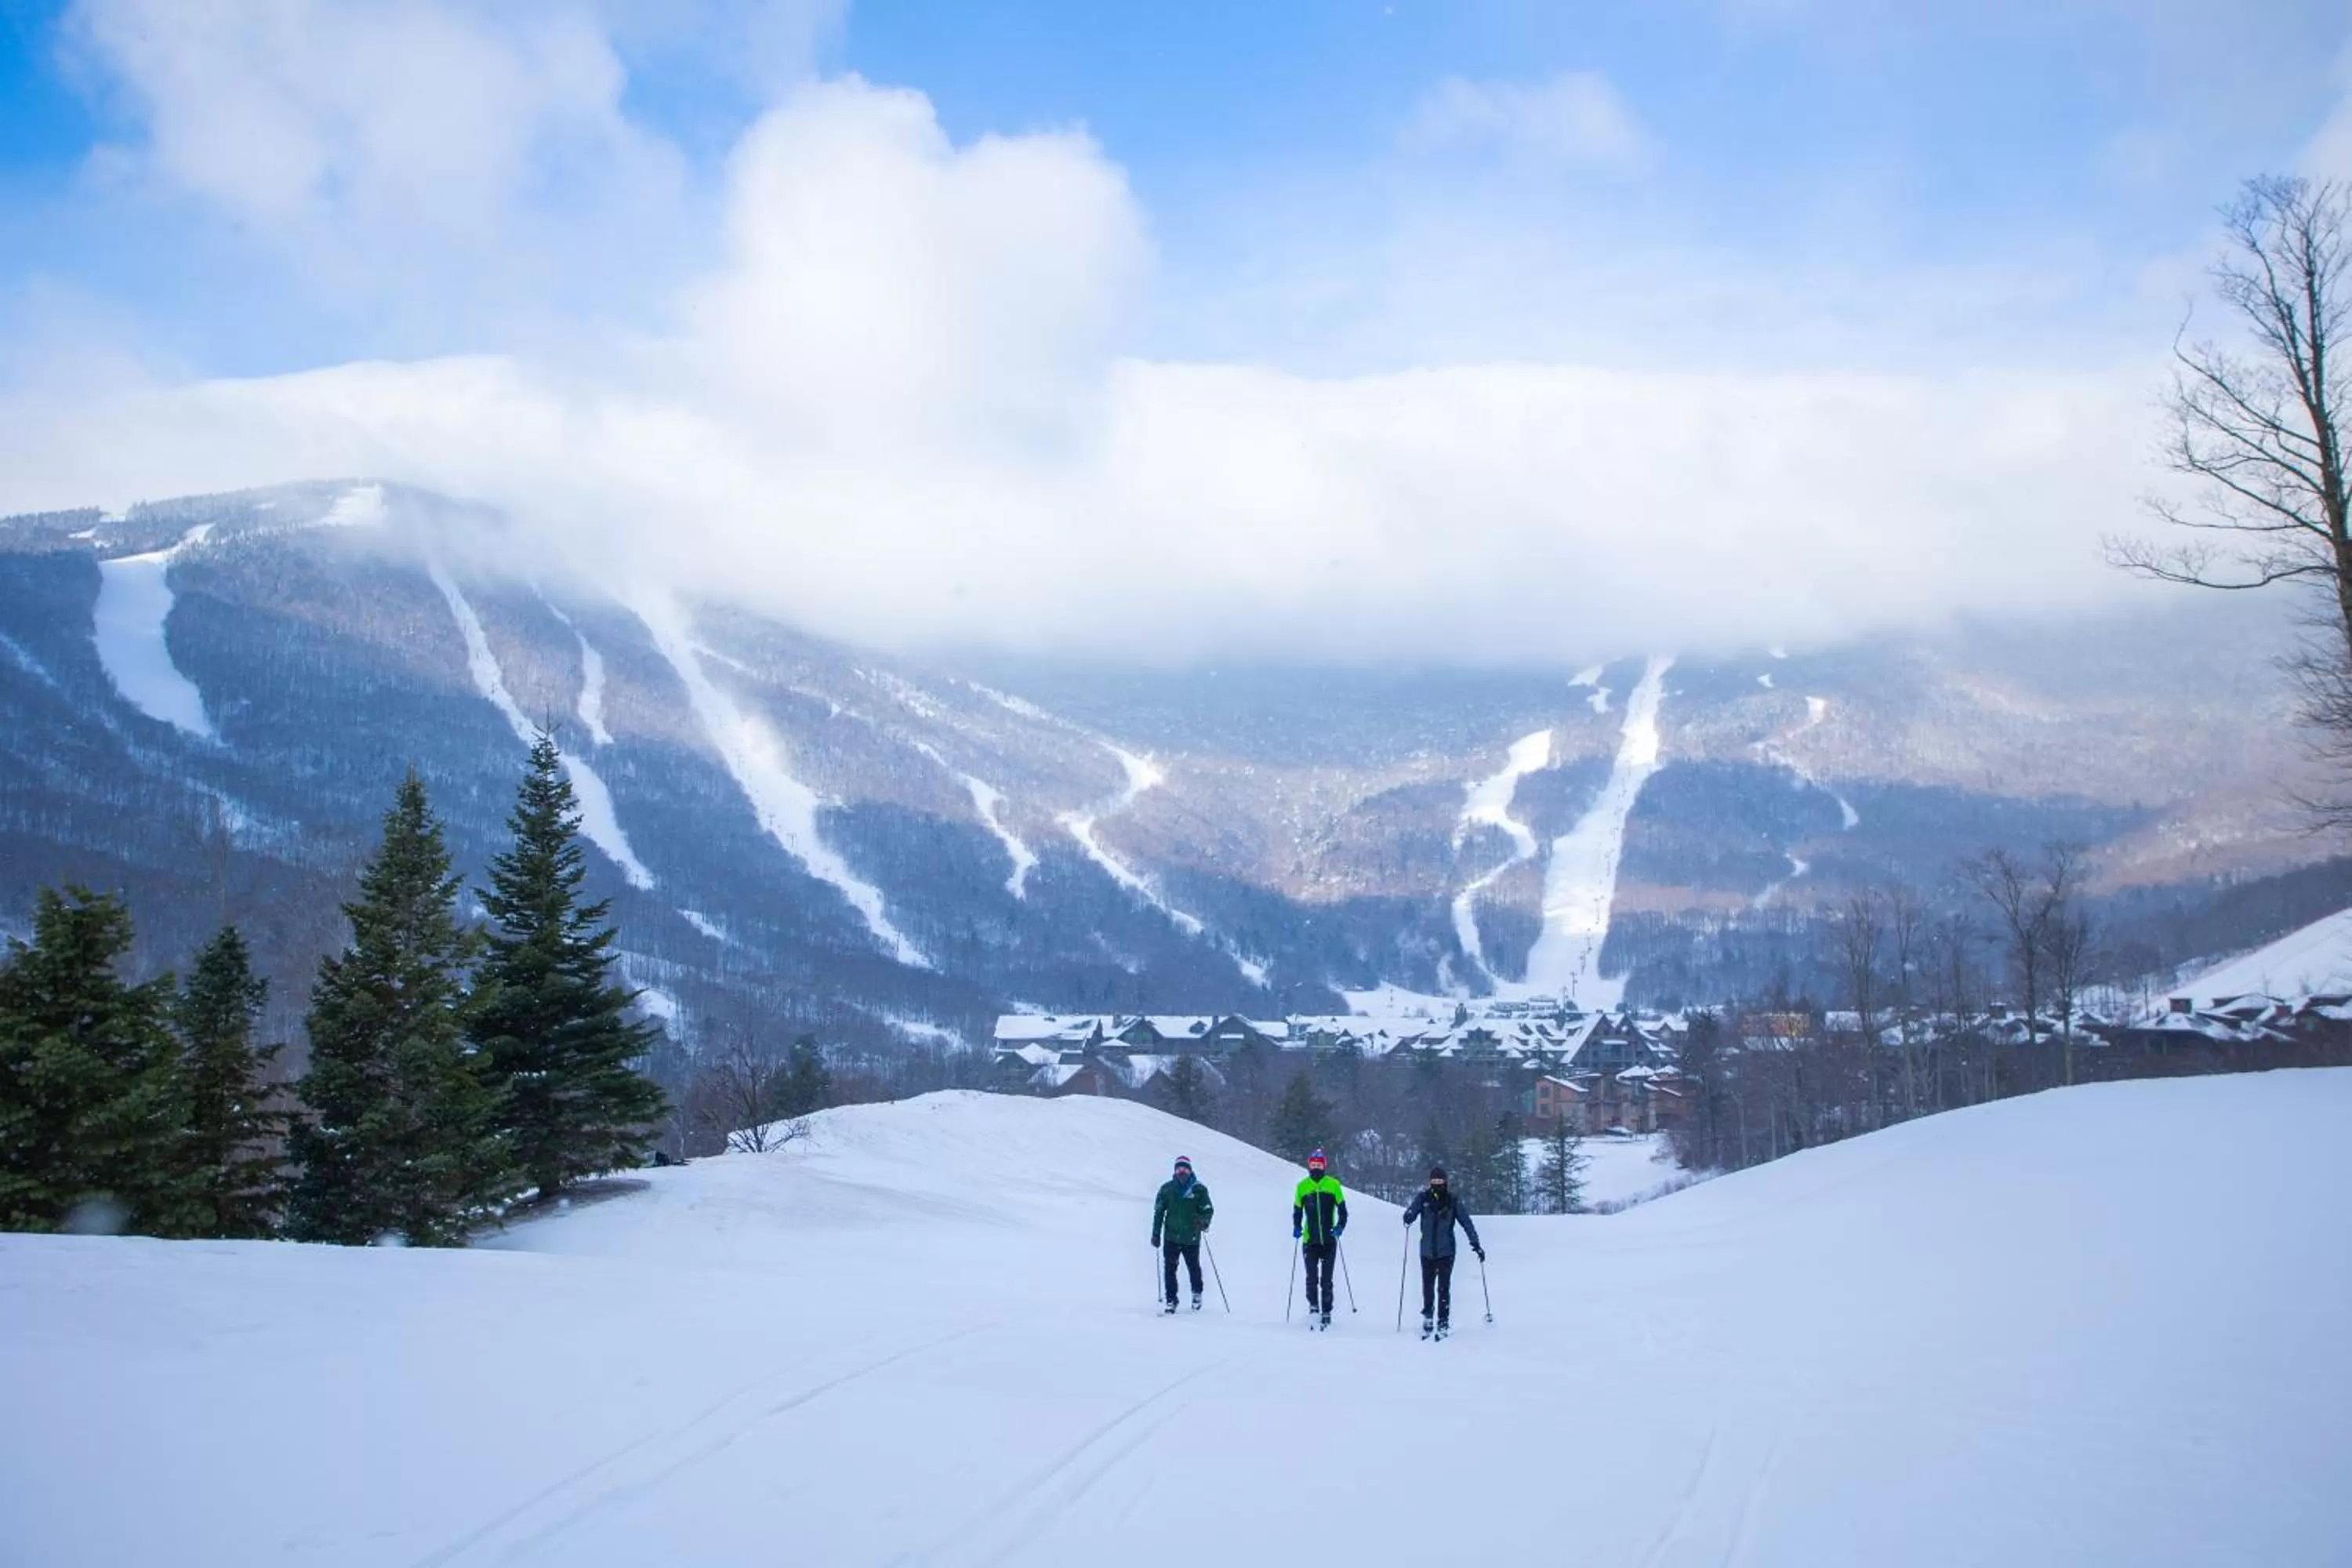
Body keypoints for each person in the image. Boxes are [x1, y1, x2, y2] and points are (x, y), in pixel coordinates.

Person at [1401, 1164, 1483, 1339]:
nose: (1437, 1184)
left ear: (1446, 1182)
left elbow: (1466, 1222)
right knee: (1428, 1287)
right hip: (1427, 1251)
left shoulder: (1453, 1201)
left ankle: (1443, 1322)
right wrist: (1408, 1216)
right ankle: (1428, 1317)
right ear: (1430, 1182)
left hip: (1446, 1252)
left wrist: (1475, 1243)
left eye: (1440, 1181)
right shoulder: (1423, 1198)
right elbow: (1412, 1212)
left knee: (1444, 1288)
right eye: (1434, 1181)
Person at [1291, 1149, 1348, 1328]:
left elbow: (1343, 1212)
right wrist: (1297, 1226)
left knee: (1326, 1280)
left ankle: (1327, 1311)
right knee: (1311, 1277)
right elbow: (1297, 1211)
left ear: (1324, 1166)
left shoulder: (1333, 1185)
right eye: (1313, 1165)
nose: (1316, 1168)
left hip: (1329, 1241)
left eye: (1319, 1165)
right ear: (1309, 1166)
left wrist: (1339, 1227)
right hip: (1310, 1241)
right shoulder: (1302, 1186)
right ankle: (1314, 1307)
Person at [1150, 1156, 1214, 1313]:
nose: (1181, 1172)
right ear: (1174, 1171)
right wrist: (1156, 1233)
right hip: (1171, 1236)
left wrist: (1203, 1222)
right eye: (1178, 1169)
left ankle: (1197, 1294)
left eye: (1185, 1169)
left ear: (1190, 1170)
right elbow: (1159, 1212)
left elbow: (1208, 1209)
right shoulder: (1167, 1189)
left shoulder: (1199, 1189)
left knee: (1193, 1267)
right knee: (1170, 1269)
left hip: (1191, 1237)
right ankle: (1171, 1300)